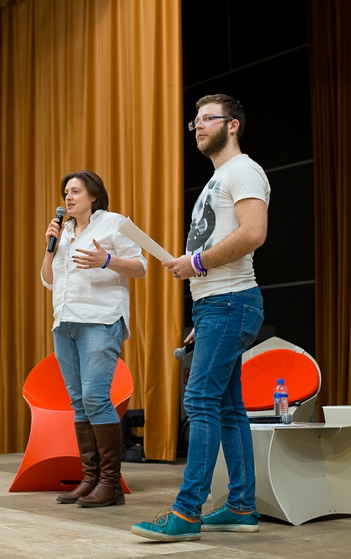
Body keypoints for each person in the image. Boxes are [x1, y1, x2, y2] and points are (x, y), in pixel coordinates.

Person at [131, 94, 270, 541]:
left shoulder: (243, 170)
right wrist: (202, 312)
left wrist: (195, 263)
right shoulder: (219, 179)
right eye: (195, 120)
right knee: (227, 408)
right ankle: (241, 507)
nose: (198, 126)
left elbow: (254, 233)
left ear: (233, 125)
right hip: (216, 306)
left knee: (200, 401)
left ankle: (188, 511)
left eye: (208, 118)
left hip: (230, 302)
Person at [41, 170, 147, 508]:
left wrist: (107, 261)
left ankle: (110, 484)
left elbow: (141, 266)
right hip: (65, 323)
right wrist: (50, 246)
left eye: (75, 191)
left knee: (96, 397)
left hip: (100, 320)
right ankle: (90, 479)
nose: (68, 197)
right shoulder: (64, 231)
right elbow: (48, 280)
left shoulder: (114, 223)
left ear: (94, 196)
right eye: (66, 192)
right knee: (78, 401)